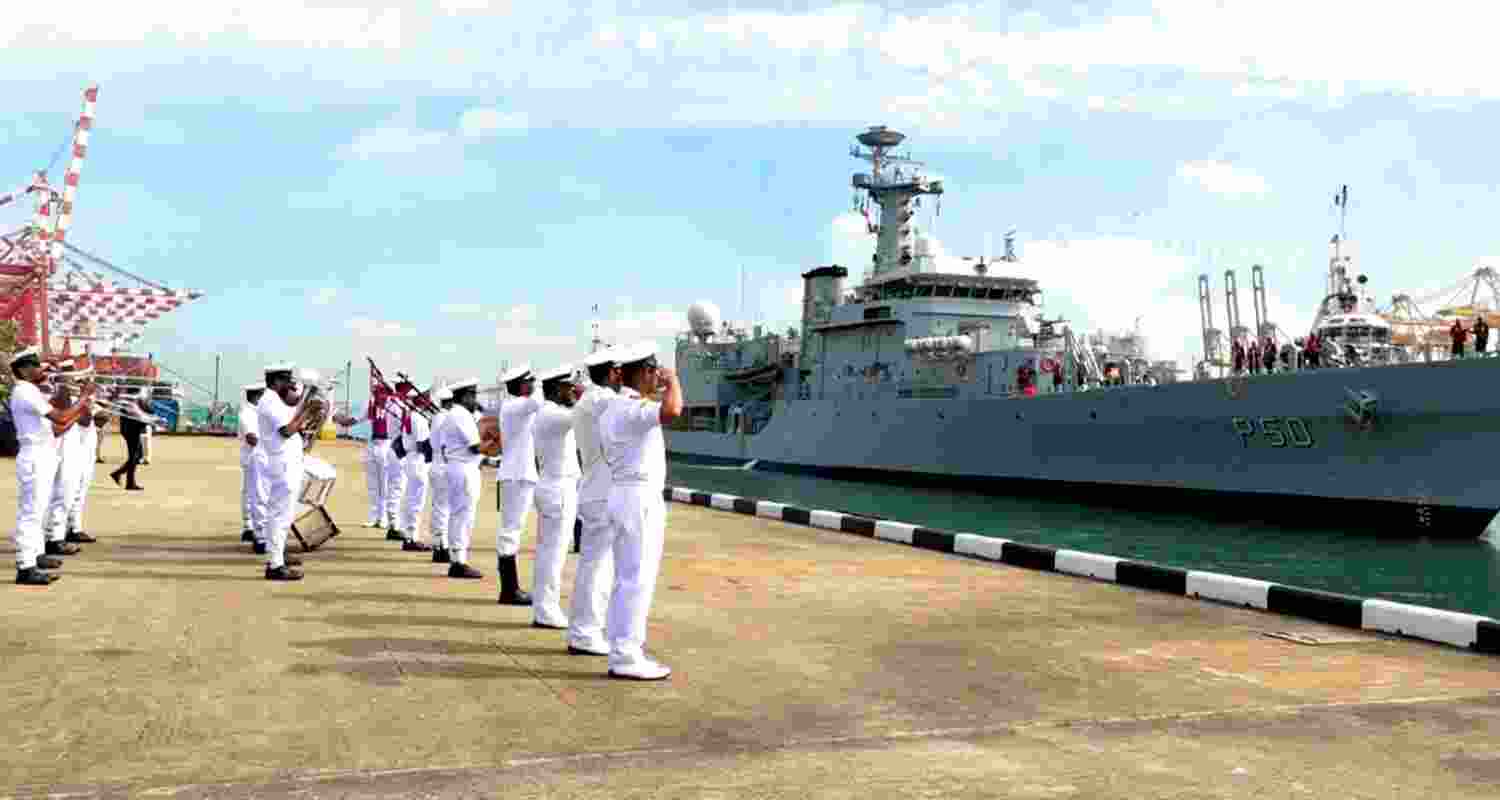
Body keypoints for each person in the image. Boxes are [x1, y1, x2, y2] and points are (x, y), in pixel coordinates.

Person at [597, 342, 682, 680]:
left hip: (623, 493)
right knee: (637, 578)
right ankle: (627, 654)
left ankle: (622, 648)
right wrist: (673, 381)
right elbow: (673, 411)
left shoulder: (614, 408)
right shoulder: (632, 409)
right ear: (645, 372)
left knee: (625, 578)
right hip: (638, 498)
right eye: (654, 370)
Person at [9, 347, 93, 585]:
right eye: (35, 365)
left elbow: (57, 428)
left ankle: (35, 556)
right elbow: (60, 418)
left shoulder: (29, 390)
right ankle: (25, 566)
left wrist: (78, 408)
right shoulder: (25, 391)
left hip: (43, 455)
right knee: (31, 513)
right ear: (24, 369)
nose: (40, 368)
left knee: (40, 510)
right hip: (35, 457)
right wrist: (84, 398)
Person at [567, 347, 622, 656]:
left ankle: (584, 630)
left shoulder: (588, 400)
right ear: (612, 372)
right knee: (598, 567)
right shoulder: (601, 399)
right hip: (602, 492)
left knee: (593, 565)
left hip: (594, 489)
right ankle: (586, 633)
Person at [256, 363, 320, 580]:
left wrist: (307, 400)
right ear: (275, 382)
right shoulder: (270, 401)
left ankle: (278, 555)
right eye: (286, 380)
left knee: (283, 514)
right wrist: (307, 411)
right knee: (280, 515)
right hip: (282, 464)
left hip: (286, 462)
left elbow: (293, 416)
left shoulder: (275, 400)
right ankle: (275, 565)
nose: (290, 384)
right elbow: (287, 430)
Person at [530, 365, 583, 629]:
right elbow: (582, 415)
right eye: (568, 387)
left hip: (556, 487)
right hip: (557, 489)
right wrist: (585, 395)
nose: (572, 390)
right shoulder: (551, 414)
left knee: (550, 552)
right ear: (556, 388)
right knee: (553, 553)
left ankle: (544, 606)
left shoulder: (551, 413)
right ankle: (546, 610)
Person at [439, 379, 498, 579]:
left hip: (458, 467)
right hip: (464, 469)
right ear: (464, 396)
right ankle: (459, 562)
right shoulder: (461, 415)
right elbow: (475, 447)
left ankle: (457, 558)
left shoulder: (452, 414)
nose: (475, 399)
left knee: (458, 515)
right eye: (473, 395)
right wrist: (496, 441)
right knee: (463, 517)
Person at [496, 364, 542, 606]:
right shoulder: (514, 406)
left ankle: (510, 588)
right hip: (517, 476)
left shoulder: (516, 407)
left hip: (518, 474)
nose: (533, 384)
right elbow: (537, 402)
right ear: (521, 385)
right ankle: (509, 590)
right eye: (529, 381)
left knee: (512, 529)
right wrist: (543, 383)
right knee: (511, 530)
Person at [397, 384, 435, 553]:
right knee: (416, 502)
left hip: (411, 459)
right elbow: (422, 445)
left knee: (410, 499)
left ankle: (409, 535)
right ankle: (411, 537)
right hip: (418, 461)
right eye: (426, 396)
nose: (428, 399)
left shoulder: (411, 415)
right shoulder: (418, 419)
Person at [426, 387, 455, 562]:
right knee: (445, 508)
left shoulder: (436, 417)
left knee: (438, 506)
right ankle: (442, 546)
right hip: (444, 464)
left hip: (435, 464)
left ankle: (438, 543)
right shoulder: (446, 418)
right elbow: (445, 446)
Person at [239, 383, 268, 546]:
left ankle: (249, 528)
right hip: (253, 458)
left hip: (258, 458)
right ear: (257, 396)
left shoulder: (257, 412)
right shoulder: (247, 413)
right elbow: (251, 437)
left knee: (252, 493)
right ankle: (253, 530)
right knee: (254, 494)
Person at [107, 388, 151, 491]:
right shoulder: (133, 397)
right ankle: (128, 481)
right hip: (131, 429)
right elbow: (143, 410)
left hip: (131, 428)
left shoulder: (130, 396)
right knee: (135, 456)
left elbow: (144, 409)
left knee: (137, 455)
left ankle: (121, 476)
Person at [363, 384, 394, 528]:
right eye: (375, 393)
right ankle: (373, 515)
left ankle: (384, 517)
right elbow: (355, 420)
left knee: (385, 484)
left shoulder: (392, 409)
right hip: (372, 443)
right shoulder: (371, 407)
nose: (377, 396)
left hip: (386, 444)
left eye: (380, 393)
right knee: (372, 484)